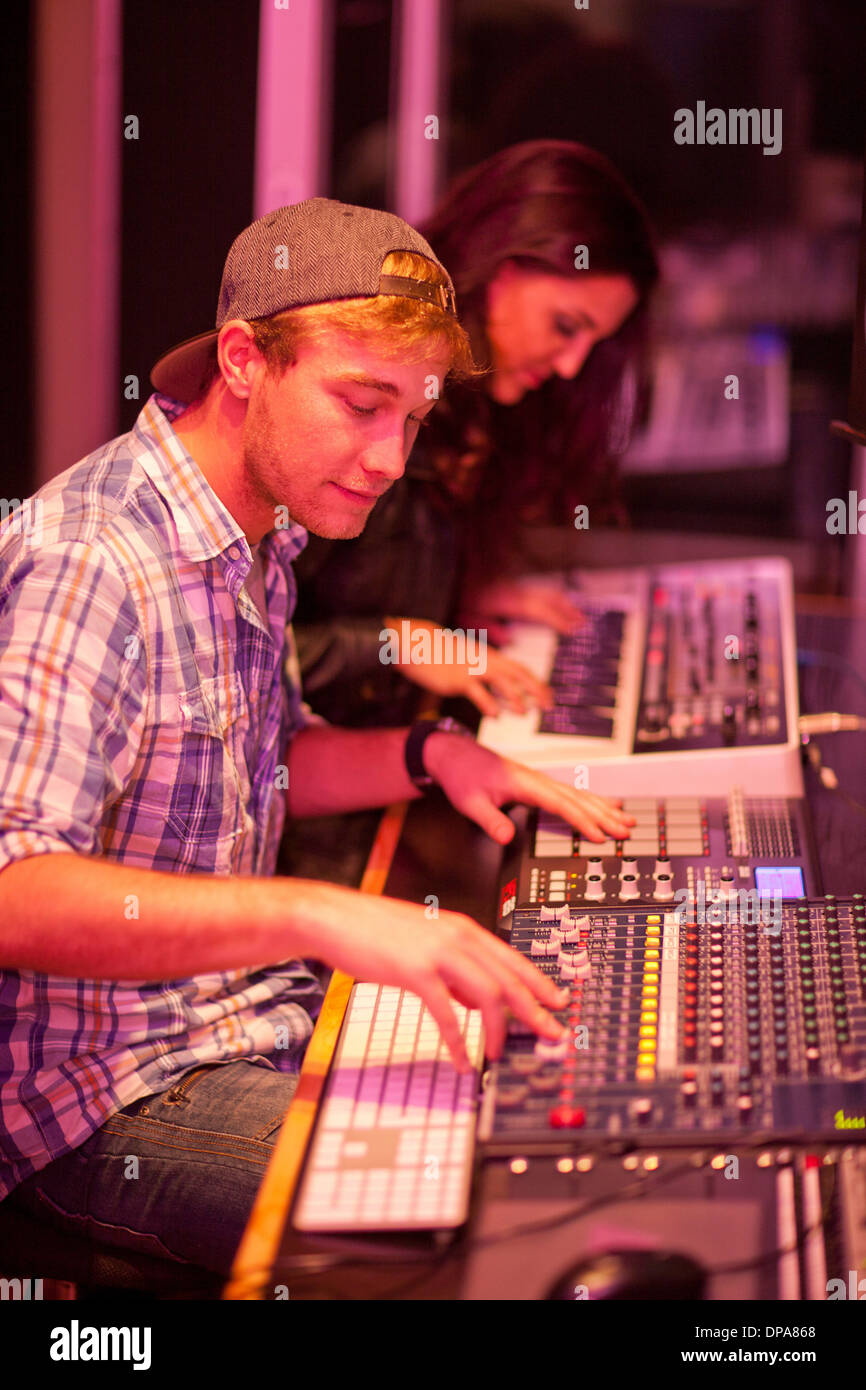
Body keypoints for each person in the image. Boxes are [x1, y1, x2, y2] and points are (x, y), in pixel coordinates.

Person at [0, 198, 634, 1278]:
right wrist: (324, 915)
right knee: (488, 1230)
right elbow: (15, 893)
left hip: (233, 1019)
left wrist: (430, 755)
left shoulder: (260, 529)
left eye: (415, 418)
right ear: (245, 359)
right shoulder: (94, 560)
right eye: (360, 403)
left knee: (558, 1124)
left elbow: (267, 760)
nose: (390, 458)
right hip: (94, 1101)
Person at [293, 140, 659, 727]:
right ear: (500, 269)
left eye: (593, 344)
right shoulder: (368, 391)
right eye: (565, 326)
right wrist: (398, 642)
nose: (570, 367)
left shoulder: (475, 413)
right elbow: (241, 657)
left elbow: (358, 587)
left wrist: (456, 599)